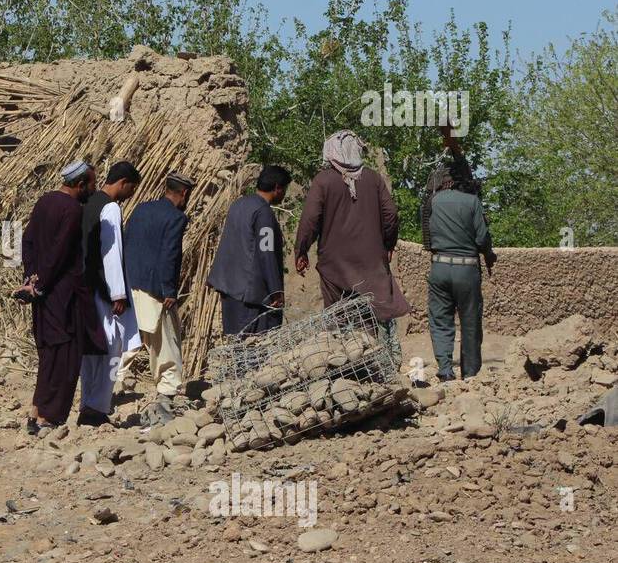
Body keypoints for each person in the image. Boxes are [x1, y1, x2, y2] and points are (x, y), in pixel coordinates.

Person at [294, 131, 410, 365]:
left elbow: (310, 219)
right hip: (370, 263)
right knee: (368, 316)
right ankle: (370, 362)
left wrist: (301, 250)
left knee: (337, 317)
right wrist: (387, 244)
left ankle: (344, 367)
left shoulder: (323, 180)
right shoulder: (373, 179)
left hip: (334, 266)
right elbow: (391, 214)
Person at [19, 160, 103, 433]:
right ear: (80, 185)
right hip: (64, 295)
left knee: (48, 354)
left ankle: (36, 411)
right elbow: (59, 252)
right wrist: (41, 282)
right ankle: (48, 417)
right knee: (65, 356)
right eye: (91, 183)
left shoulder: (44, 201)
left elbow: (28, 240)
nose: (94, 188)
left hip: (44, 295)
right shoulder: (72, 210)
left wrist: (31, 277)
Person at [118, 171, 194, 398]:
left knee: (130, 338)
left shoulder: (141, 209)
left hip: (130, 284)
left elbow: (127, 242)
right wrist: (169, 290)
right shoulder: (176, 218)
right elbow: (169, 255)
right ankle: (169, 389)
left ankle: (110, 381)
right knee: (165, 341)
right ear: (184, 193)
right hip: (155, 289)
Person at [78, 161, 142, 425]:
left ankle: (87, 404)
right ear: (124, 182)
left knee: (91, 352)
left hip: (87, 286)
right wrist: (118, 293)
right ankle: (98, 407)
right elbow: (111, 252)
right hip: (105, 291)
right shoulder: (110, 207)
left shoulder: (88, 203)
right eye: (131, 188)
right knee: (111, 350)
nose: (130, 194)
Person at [427, 170, 495, 380]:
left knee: (440, 320)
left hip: (439, 267)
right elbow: (482, 238)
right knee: (470, 321)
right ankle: (470, 374)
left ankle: (446, 370)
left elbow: (429, 232)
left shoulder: (434, 200)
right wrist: (489, 255)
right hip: (466, 269)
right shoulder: (473, 202)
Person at [208, 166, 291, 336]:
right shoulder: (263, 212)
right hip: (250, 295)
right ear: (277, 188)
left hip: (230, 289)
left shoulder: (239, 204)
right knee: (254, 350)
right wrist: (276, 291)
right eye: (284, 189)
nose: (284, 195)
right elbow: (266, 252)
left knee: (237, 346)